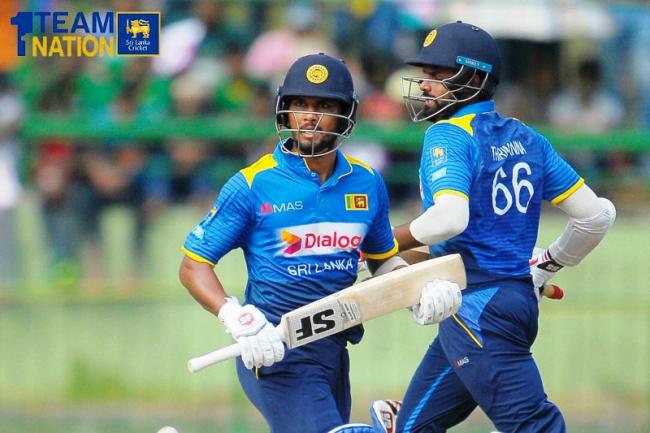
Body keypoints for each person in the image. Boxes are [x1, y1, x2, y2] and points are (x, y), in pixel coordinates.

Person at [179, 53, 461, 433]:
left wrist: (419, 290)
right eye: (300, 104)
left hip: (333, 349)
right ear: (285, 111)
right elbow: (193, 265)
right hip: (274, 349)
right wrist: (236, 317)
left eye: (324, 106)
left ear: (346, 114)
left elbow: (382, 260)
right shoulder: (252, 184)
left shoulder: (367, 182)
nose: (309, 116)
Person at [373, 22, 616, 433]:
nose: (425, 84)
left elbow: (450, 219)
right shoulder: (528, 137)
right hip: (506, 302)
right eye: (425, 74)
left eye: (437, 74)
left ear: (474, 78)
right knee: (411, 427)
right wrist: (546, 265)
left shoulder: (447, 134)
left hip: (478, 309)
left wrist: (380, 241)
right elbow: (597, 216)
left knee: (534, 426)